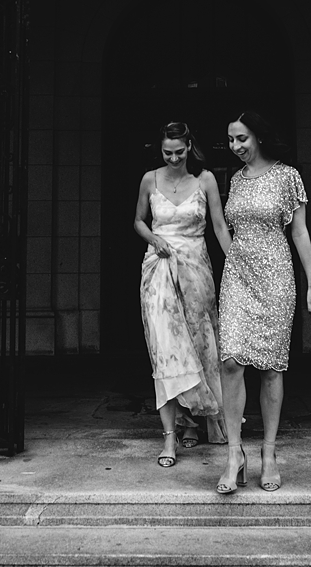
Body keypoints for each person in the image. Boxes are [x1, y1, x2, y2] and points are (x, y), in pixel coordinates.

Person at [215, 111, 311, 494]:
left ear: (258, 136)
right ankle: (233, 455)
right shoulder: (235, 181)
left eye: (241, 139)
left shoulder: (287, 176)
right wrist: (235, 259)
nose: (235, 147)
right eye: (230, 140)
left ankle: (269, 454)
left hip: (276, 278)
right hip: (237, 280)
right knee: (230, 361)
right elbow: (230, 229)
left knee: (271, 369)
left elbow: (300, 232)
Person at [132, 121, 232, 467]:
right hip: (158, 271)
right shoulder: (150, 179)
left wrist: (234, 262)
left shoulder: (204, 180)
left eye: (179, 152)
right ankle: (170, 437)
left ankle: (194, 421)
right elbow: (139, 221)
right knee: (167, 351)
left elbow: (218, 226)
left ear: (189, 147)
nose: (173, 158)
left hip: (196, 270)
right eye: (166, 153)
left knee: (200, 346)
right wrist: (154, 239)